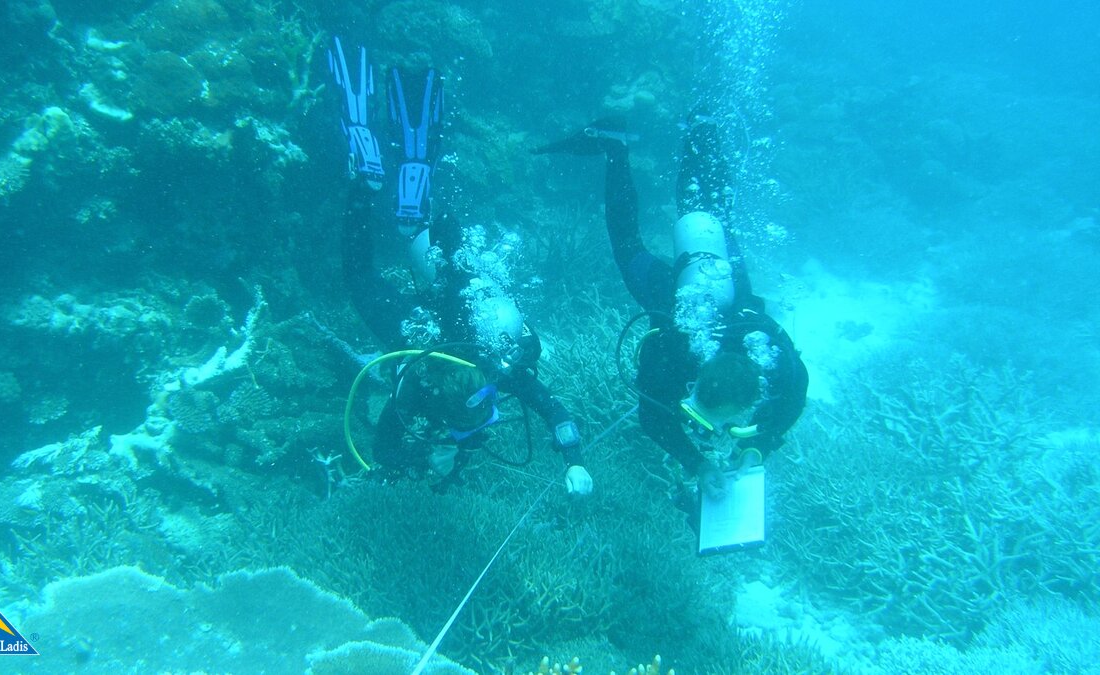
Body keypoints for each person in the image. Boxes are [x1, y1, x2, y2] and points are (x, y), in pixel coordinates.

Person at [329, 38, 592, 495]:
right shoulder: (416, 384)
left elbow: (556, 413)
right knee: (362, 278)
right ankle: (381, 196)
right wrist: (426, 456)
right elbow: (386, 450)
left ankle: (403, 212)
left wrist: (574, 461)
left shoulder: (495, 368)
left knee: (443, 274)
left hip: (448, 312)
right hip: (425, 324)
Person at [534, 111, 806, 501]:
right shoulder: (670, 352)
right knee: (644, 242)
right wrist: (699, 462)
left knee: (713, 220)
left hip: (729, 293)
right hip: (673, 295)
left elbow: (795, 398)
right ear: (694, 384)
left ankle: (698, 131)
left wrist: (754, 448)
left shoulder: (774, 363)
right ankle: (625, 146)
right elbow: (652, 417)